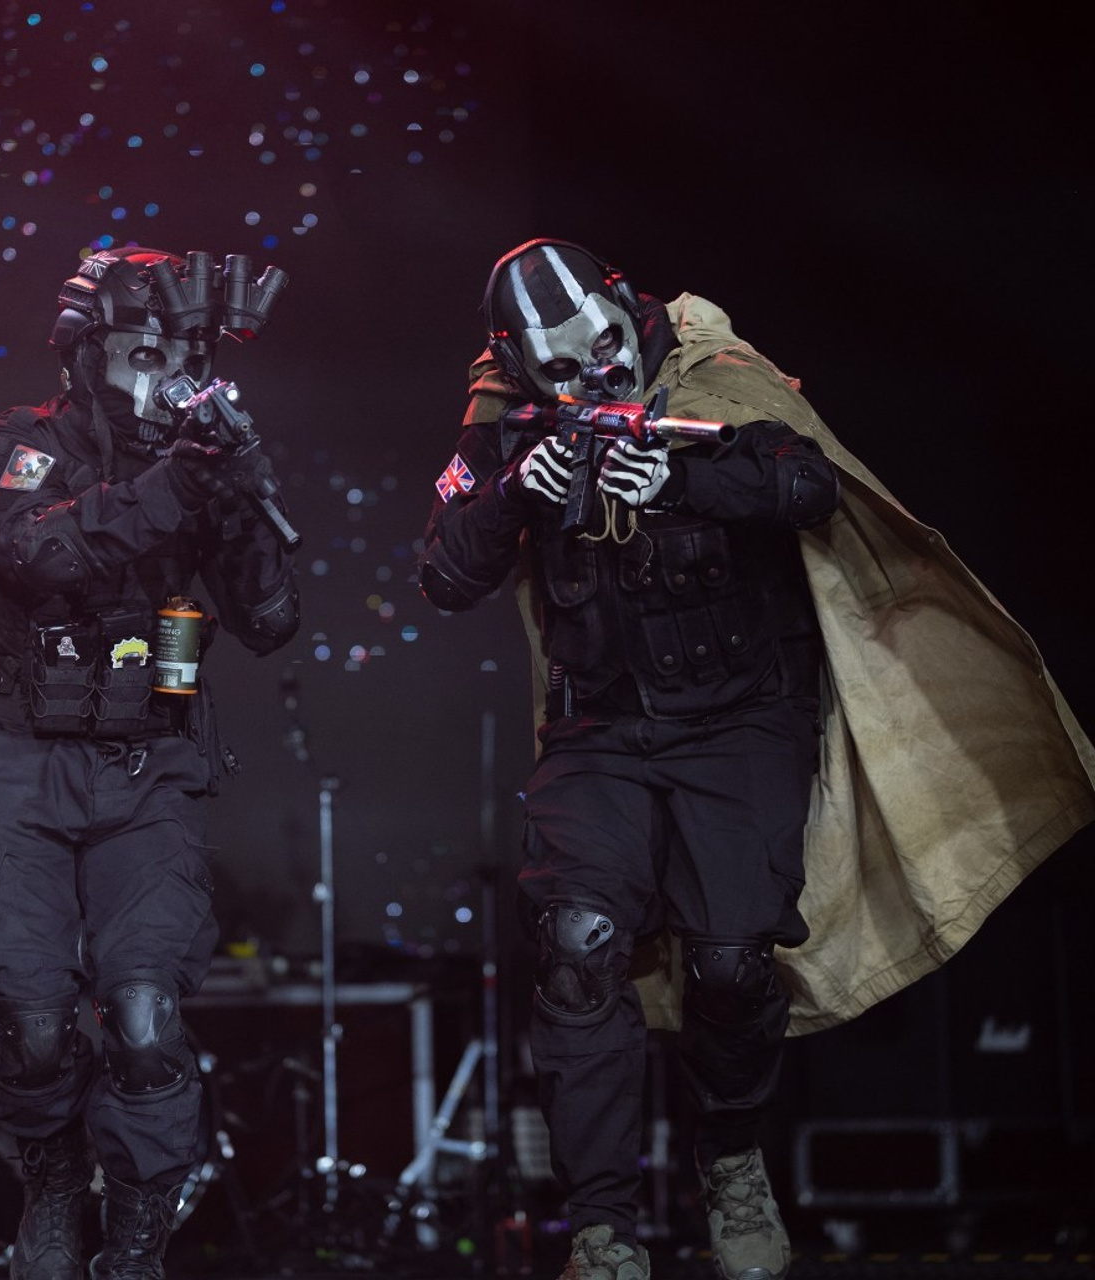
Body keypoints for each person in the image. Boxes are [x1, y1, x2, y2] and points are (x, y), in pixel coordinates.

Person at [419, 240, 1095, 1280]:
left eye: (601, 343)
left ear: (620, 309)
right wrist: (512, 490)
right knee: (577, 939)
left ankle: (729, 1155)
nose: (593, 372)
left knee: (732, 964)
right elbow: (440, 571)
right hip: (600, 731)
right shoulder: (502, 421)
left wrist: (685, 475)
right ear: (519, 363)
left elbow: (808, 482)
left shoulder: (707, 368)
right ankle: (599, 1226)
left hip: (738, 722)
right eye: (559, 365)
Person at [0, 245, 300, 1280]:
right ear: (82, 357)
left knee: (145, 1018)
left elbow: (271, 620)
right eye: (142, 353)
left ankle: (135, 1245)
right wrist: (175, 481)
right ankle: (51, 1175)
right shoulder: (18, 444)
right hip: (18, 762)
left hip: (147, 769)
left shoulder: (196, 461)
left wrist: (236, 494)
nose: (163, 377)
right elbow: (37, 553)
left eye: (181, 355)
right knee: (36, 1021)